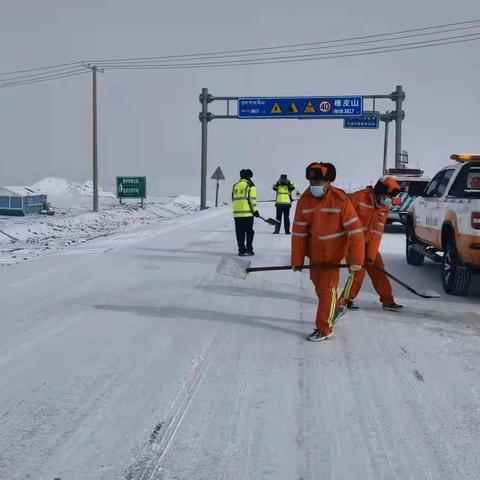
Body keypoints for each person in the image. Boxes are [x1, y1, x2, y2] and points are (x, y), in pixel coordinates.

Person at [291, 162, 365, 342]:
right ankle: (334, 309)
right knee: (320, 289)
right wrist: (297, 259)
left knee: (327, 290)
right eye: (312, 182)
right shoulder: (304, 200)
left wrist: (356, 260)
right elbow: (299, 232)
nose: (314, 186)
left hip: (332, 256)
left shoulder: (340, 200)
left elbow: (355, 232)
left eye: (318, 182)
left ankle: (324, 328)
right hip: (315, 255)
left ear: (328, 182)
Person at [338, 177, 403, 313]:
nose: (386, 200)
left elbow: (377, 233)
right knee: (358, 273)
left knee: (379, 270)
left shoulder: (383, 208)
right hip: (353, 243)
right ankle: (344, 301)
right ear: (378, 192)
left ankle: (388, 301)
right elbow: (341, 219)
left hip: (369, 243)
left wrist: (370, 256)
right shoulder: (358, 198)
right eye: (385, 196)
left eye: (389, 198)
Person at [232, 169, 260, 256]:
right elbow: (252, 200)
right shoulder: (250, 186)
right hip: (247, 213)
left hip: (237, 214)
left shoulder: (235, 186)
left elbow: (233, 199)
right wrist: (255, 211)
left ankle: (241, 250)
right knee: (249, 232)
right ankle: (249, 249)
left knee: (239, 232)